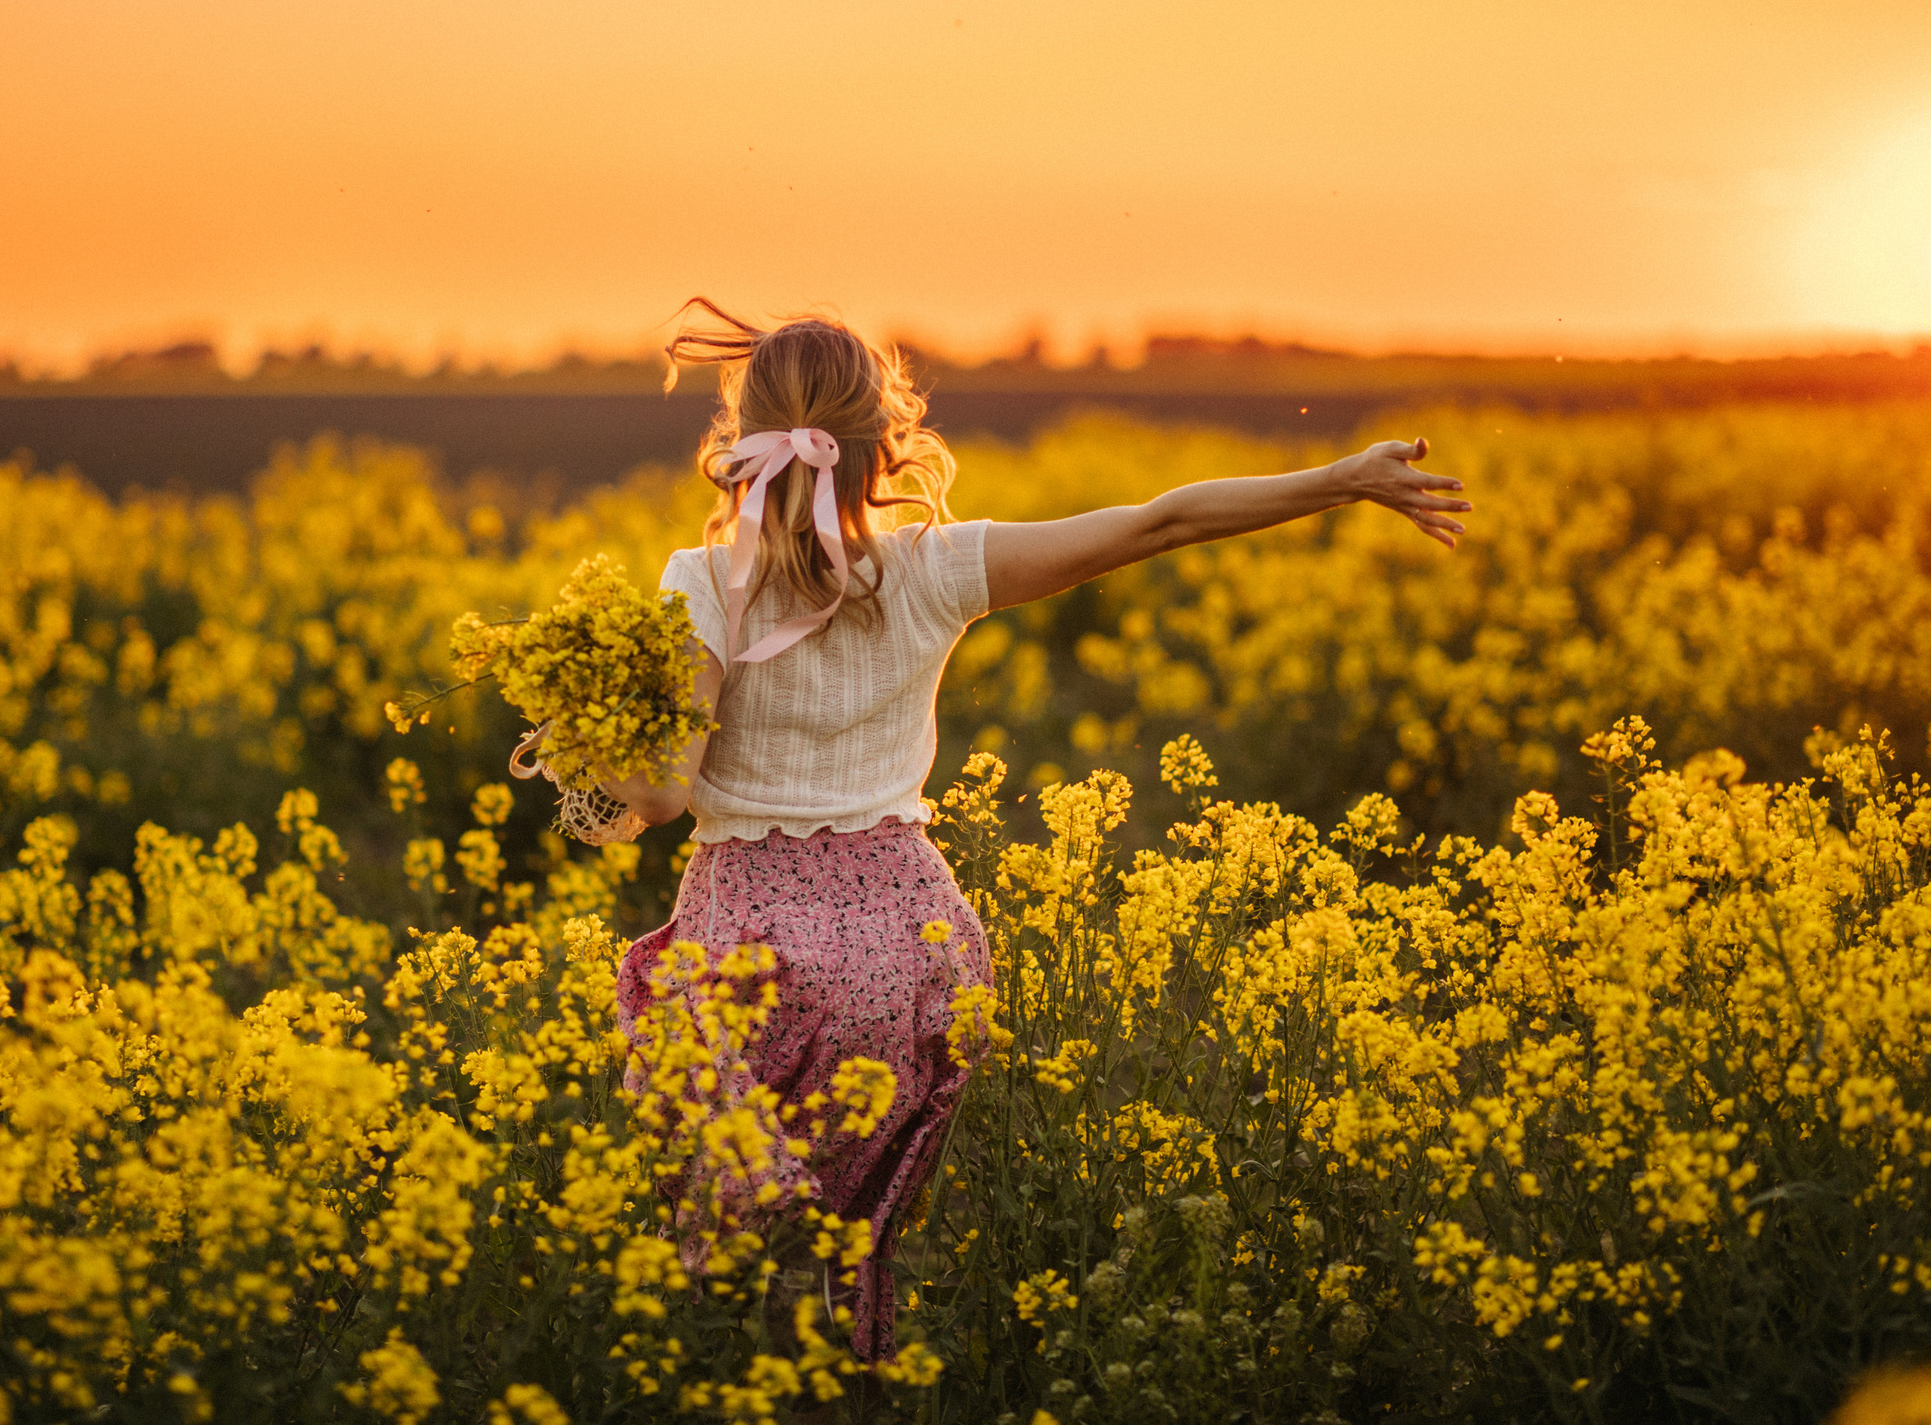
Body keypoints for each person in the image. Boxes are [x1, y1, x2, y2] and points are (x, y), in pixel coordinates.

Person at [607, 301, 1468, 1359]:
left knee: (719, 1263)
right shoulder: (933, 569)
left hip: (759, 948)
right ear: (884, 439)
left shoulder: (699, 583)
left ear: (741, 437)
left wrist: (575, 747)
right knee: (855, 1245)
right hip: (914, 948)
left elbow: (653, 798)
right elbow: (1160, 521)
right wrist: (1341, 479)